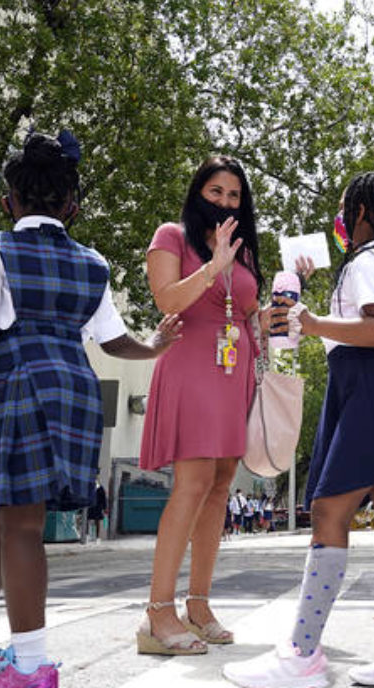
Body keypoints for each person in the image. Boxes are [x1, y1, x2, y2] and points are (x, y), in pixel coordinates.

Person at [0, 132, 181, 688]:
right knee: (4, 527)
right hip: (73, 389)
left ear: (8, 202)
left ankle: (29, 667)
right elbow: (114, 341)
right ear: (72, 206)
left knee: (17, 527)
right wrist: (156, 348)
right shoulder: (92, 263)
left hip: (17, 384)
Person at [223, 172, 374, 688]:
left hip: (373, 385)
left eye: (341, 209)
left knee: (330, 509)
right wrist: (309, 301)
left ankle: (302, 655)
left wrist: (310, 321)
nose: (337, 219)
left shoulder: (368, 262)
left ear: (357, 213)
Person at [139, 156, 308, 655]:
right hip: (191, 366)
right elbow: (167, 299)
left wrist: (281, 309)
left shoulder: (247, 253)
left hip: (236, 372)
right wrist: (213, 266)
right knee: (191, 484)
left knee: (218, 487)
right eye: (216, 192)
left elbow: (253, 316)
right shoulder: (171, 235)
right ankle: (157, 613)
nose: (224, 203)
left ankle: (198, 603)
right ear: (198, 192)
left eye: (234, 196)